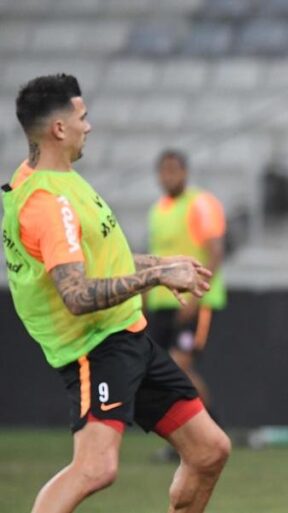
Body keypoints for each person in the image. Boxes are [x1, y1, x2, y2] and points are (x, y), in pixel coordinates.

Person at [2, 74, 230, 513]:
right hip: (95, 347)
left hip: (128, 335)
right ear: (59, 128)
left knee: (209, 450)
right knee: (95, 468)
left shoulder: (52, 178)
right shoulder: (47, 203)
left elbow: (102, 261)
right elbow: (77, 295)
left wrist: (161, 265)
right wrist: (156, 276)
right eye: (82, 118)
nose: (88, 126)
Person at [146, 149, 227, 417]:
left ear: (185, 173)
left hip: (193, 301)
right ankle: (191, 431)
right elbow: (155, 258)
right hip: (162, 301)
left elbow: (215, 252)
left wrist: (195, 298)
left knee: (178, 365)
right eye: (164, 171)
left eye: (173, 170)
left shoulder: (200, 204)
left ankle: (211, 425)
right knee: (160, 369)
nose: (168, 176)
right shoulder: (158, 210)